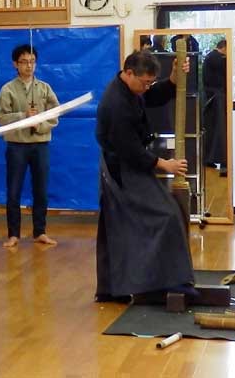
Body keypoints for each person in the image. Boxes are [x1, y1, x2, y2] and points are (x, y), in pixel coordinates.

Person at [94, 50, 195, 302]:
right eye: (144, 82)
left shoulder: (132, 89)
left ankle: (119, 287)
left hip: (130, 163)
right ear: (129, 73)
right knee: (167, 215)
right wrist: (165, 164)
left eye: (150, 82)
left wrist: (172, 80)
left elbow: (154, 95)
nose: (147, 87)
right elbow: (130, 149)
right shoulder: (115, 103)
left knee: (120, 225)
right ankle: (167, 281)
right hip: (122, 168)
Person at [0, 44, 60, 248]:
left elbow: (55, 113)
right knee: (13, 190)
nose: (29, 66)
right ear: (15, 64)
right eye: (24, 62)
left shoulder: (44, 88)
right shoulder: (8, 89)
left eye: (32, 61)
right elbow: (2, 118)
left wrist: (40, 124)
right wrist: (23, 116)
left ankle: (40, 231)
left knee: (41, 189)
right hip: (17, 146)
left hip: (40, 145)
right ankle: (13, 234)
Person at [202, 39, 227, 175]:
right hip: (217, 98)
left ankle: (209, 159)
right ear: (224, 48)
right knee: (219, 129)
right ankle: (221, 161)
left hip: (212, 97)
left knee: (212, 129)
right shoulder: (216, 58)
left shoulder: (211, 57)